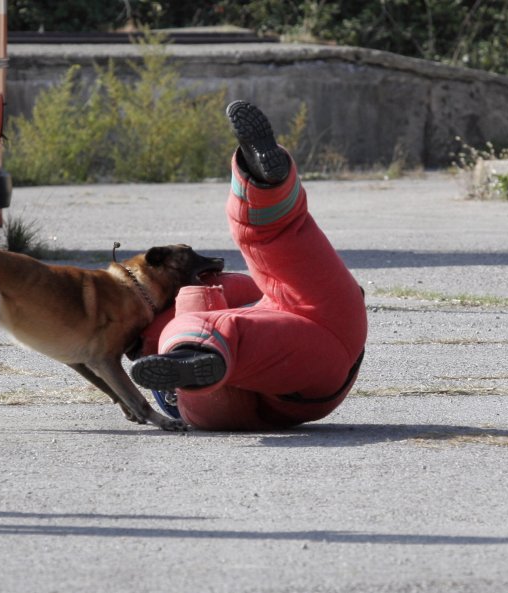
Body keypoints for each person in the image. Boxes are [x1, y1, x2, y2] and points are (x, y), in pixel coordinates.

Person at [130, 100, 367, 431]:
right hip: (334, 324)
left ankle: (261, 179)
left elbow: (234, 292)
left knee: (219, 321)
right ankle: (263, 188)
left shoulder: (153, 324)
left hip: (304, 365)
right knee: (278, 235)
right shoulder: (184, 308)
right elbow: (230, 289)